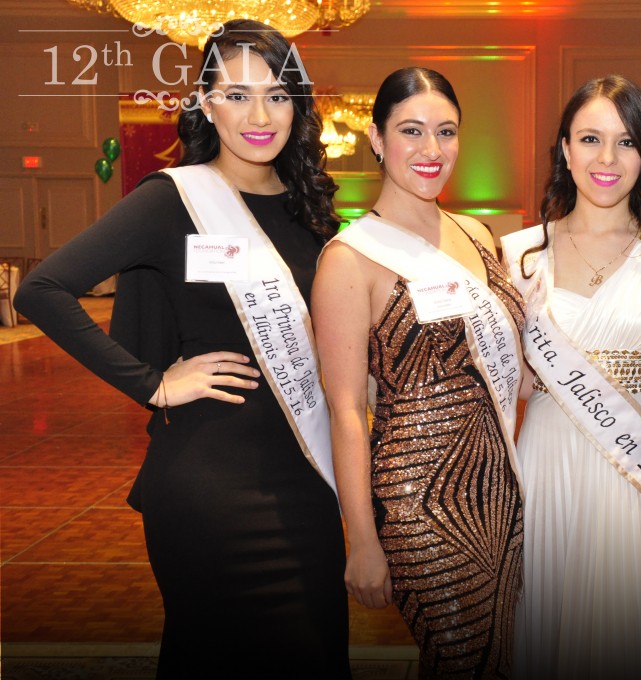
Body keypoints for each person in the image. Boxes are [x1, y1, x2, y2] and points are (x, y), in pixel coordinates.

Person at [14, 20, 350, 679]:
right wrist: (154, 384)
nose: (260, 116)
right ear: (206, 103)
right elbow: (42, 290)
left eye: (277, 96)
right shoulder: (174, 199)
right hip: (212, 491)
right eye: (238, 95)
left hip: (307, 485)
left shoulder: (310, 210)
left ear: (299, 106)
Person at [312, 67, 526, 678]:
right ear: (376, 139)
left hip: (503, 487)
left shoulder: (477, 234)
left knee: (501, 657)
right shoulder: (350, 259)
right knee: (463, 659)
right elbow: (346, 411)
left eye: (446, 131)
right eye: (411, 130)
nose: (432, 149)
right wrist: (362, 540)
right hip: (421, 501)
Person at [501, 75, 641, 679]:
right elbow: (511, 382)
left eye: (626, 141)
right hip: (551, 458)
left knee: (635, 626)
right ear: (564, 149)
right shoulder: (518, 254)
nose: (607, 158)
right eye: (590, 139)